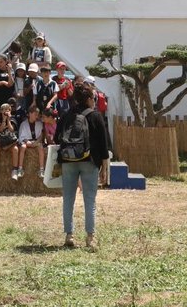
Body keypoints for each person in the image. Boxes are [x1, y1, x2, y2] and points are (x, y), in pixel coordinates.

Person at [55, 82, 111, 250]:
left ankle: (69, 235)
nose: (94, 101)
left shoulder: (66, 115)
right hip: (89, 161)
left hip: (68, 162)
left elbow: (58, 137)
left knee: (68, 199)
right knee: (89, 200)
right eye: (93, 98)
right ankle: (90, 238)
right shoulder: (95, 116)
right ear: (88, 99)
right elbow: (104, 144)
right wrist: (104, 167)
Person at [15, 105, 46, 180]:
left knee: (40, 147)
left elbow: (41, 136)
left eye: (37, 115)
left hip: (36, 141)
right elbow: (21, 137)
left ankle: (41, 170)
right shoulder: (23, 124)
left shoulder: (40, 124)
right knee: (23, 147)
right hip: (26, 142)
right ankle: (20, 169)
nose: (37, 116)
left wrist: (36, 142)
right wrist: (27, 142)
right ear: (30, 114)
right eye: (35, 114)